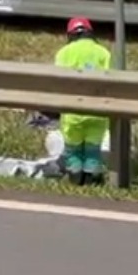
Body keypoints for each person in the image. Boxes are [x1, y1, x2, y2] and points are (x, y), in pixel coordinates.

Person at [54, 17, 112, 186]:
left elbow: (57, 81)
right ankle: (92, 176)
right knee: (93, 148)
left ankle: (75, 174)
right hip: (98, 112)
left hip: (72, 112)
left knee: (73, 148)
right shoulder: (103, 52)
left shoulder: (64, 53)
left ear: (70, 35)